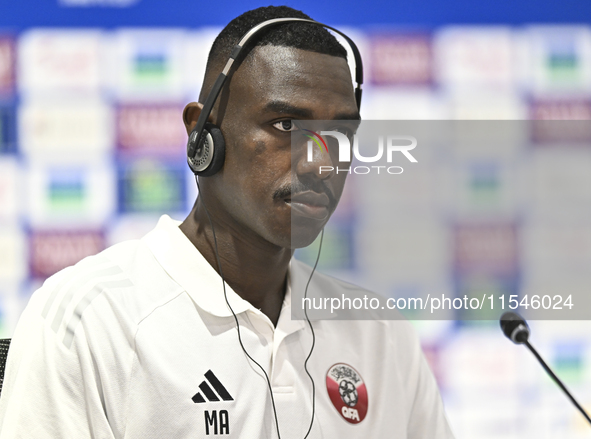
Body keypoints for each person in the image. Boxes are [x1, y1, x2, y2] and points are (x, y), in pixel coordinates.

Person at [0, 6, 454, 438]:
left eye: (340, 133)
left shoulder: (381, 333)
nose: (321, 162)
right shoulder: (90, 320)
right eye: (284, 125)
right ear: (203, 134)